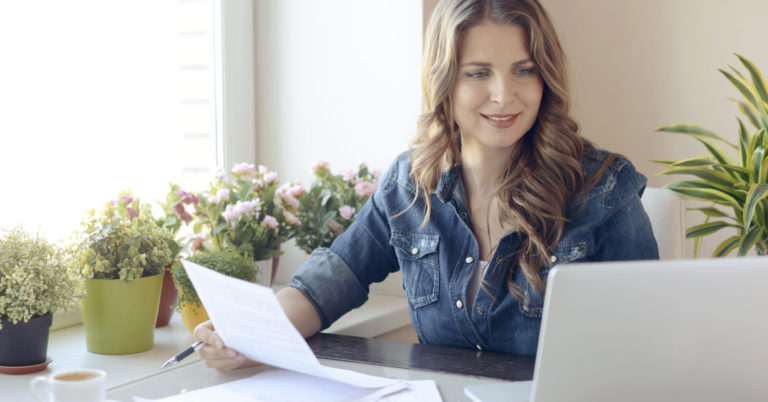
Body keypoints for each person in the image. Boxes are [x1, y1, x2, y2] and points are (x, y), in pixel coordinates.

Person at [194, 0, 659, 371]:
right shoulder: (408, 185)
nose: (504, 94)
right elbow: (329, 283)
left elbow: (648, 345)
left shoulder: (603, 190)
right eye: (478, 73)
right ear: (445, 82)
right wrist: (246, 337)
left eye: (524, 69)